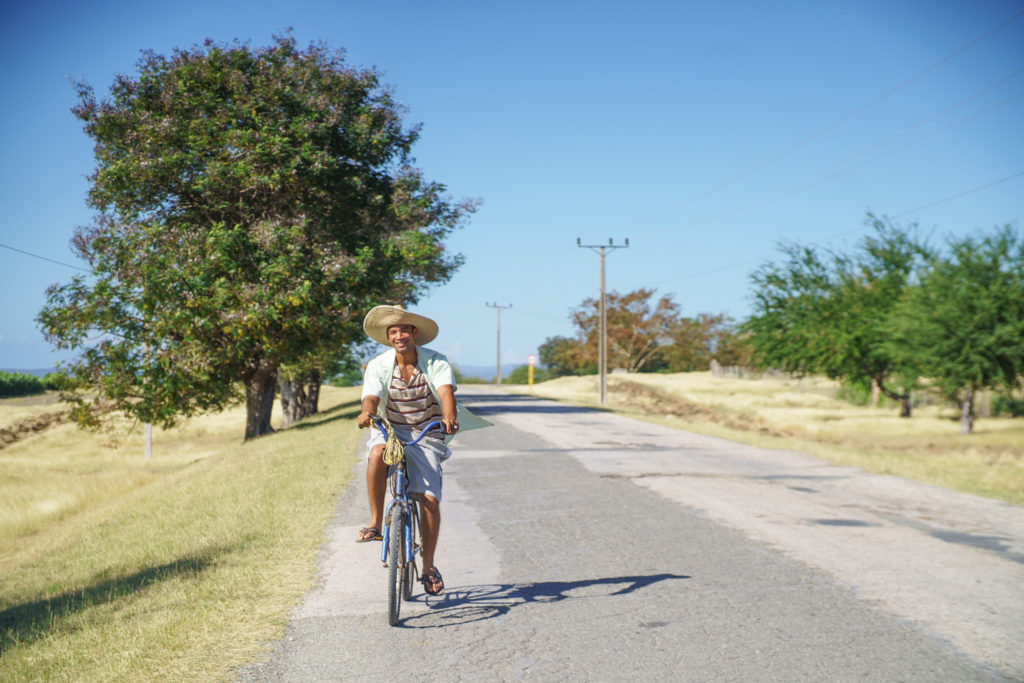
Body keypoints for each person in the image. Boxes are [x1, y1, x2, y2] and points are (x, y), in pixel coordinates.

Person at [355, 304, 457, 596]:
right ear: (389, 338)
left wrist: (449, 417)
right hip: (390, 430)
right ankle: (375, 522)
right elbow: (371, 398)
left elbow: (446, 392)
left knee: (429, 500)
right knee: (377, 454)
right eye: (393, 332)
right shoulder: (378, 365)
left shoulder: (436, 362)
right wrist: (367, 414)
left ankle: (428, 567)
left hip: (426, 431)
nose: (399, 336)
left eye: (404, 330)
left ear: (415, 333)